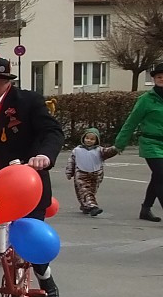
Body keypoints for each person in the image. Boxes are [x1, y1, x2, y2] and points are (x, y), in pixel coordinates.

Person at [0, 57, 64, 297]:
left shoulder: (28, 101)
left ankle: (46, 278)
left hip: (23, 181)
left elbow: (51, 132)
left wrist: (44, 156)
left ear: (5, 82)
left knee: (30, 234)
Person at [114, 62, 163, 222]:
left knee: (157, 177)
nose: (161, 79)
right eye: (159, 77)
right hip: (151, 143)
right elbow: (131, 122)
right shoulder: (146, 100)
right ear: (154, 79)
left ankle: (145, 209)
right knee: (161, 175)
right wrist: (120, 143)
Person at [65, 128, 118, 216]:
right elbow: (71, 161)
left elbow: (109, 152)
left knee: (91, 191)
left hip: (96, 174)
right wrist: (69, 172)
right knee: (84, 191)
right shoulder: (77, 150)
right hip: (81, 174)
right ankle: (93, 207)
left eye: (92, 139)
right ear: (83, 138)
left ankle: (86, 206)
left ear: (96, 140)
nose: (89, 140)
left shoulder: (100, 150)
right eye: (87, 138)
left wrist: (116, 148)